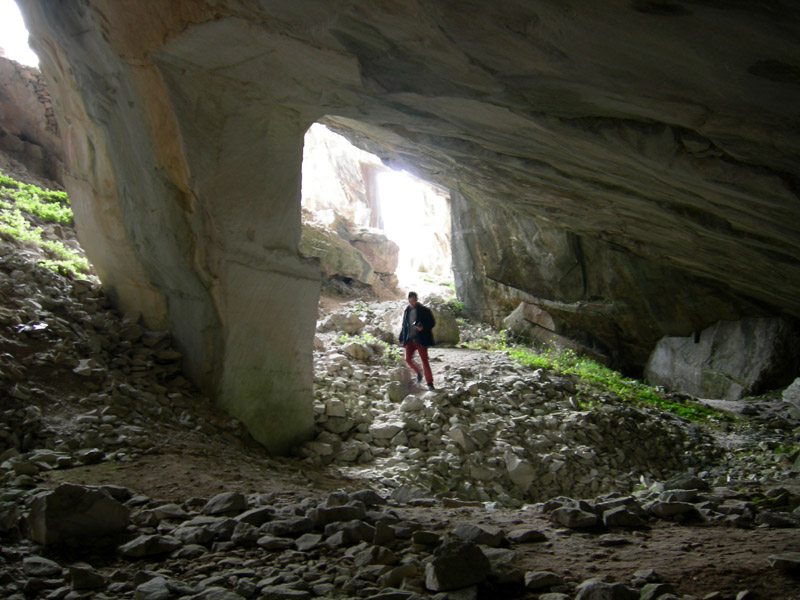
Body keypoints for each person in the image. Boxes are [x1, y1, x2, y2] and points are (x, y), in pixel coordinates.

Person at [398, 291, 436, 390]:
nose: (411, 303)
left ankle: (429, 383)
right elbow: (404, 325)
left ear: (416, 300)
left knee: (424, 361)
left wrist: (422, 327)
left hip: (420, 339)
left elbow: (432, 323)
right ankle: (419, 373)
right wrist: (401, 337)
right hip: (409, 339)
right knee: (407, 358)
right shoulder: (407, 310)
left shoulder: (424, 310)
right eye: (410, 301)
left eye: (413, 301)